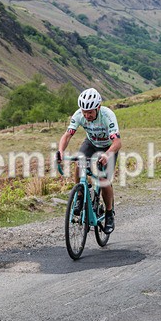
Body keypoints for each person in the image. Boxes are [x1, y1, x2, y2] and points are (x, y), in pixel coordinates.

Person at [56, 88, 121, 233]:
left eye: (90, 112)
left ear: (98, 107)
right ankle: (80, 195)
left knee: (103, 180)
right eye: (84, 112)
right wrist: (61, 151)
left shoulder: (107, 116)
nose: (87, 115)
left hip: (108, 147)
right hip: (91, 143)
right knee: (80, 161)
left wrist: (107, 155)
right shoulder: (79, 115)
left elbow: (117, 143)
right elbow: (67, 135)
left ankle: (109, 214)